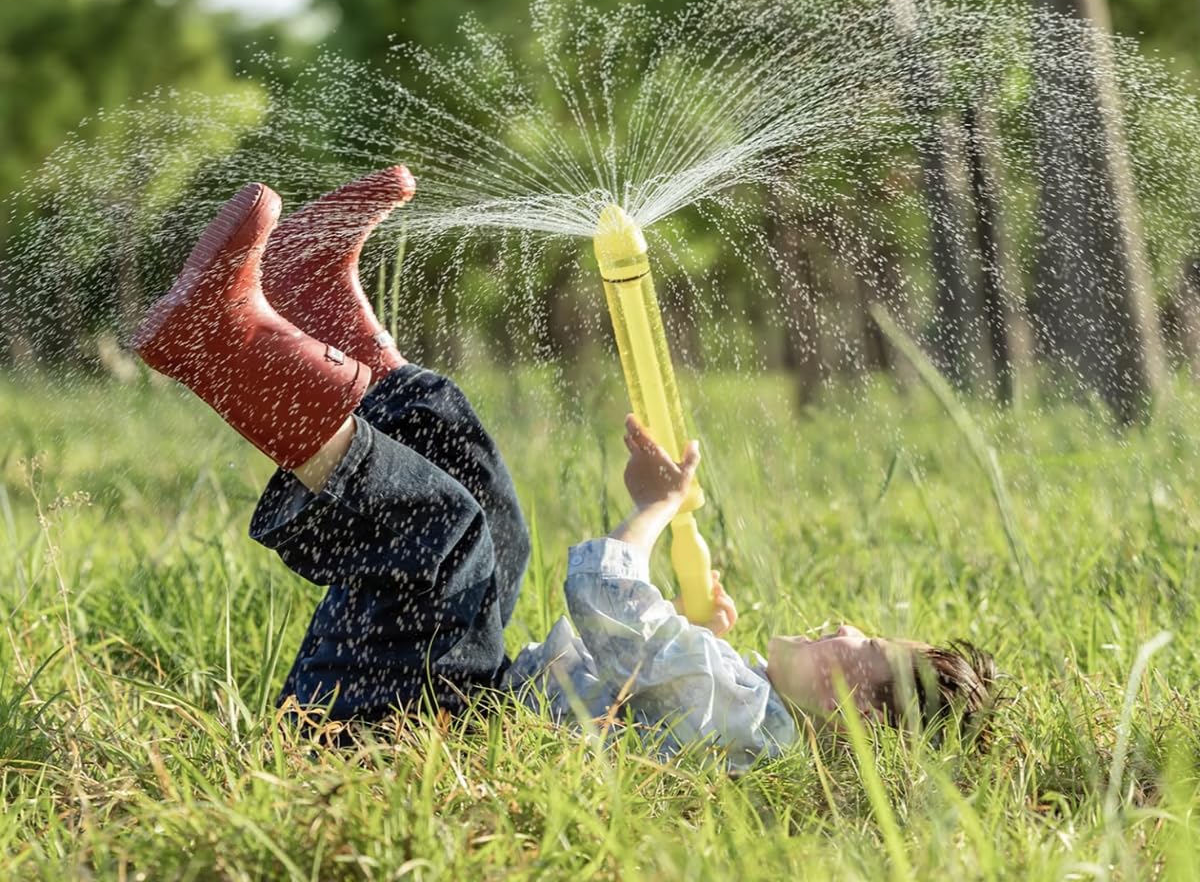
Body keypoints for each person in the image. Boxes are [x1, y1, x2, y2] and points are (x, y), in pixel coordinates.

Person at [133, 168, 995, 767]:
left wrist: (652, 513)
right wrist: (696, 638)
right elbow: (630, 664)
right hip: (444, 697)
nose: (845, 628)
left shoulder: (749, 716)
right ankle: (315, 301)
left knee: (449, 533)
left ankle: (229, 352)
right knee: (488, 503)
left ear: (861, 722)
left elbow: (604, 596)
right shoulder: (742, 702)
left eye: (864, 651)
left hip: (407, 726)